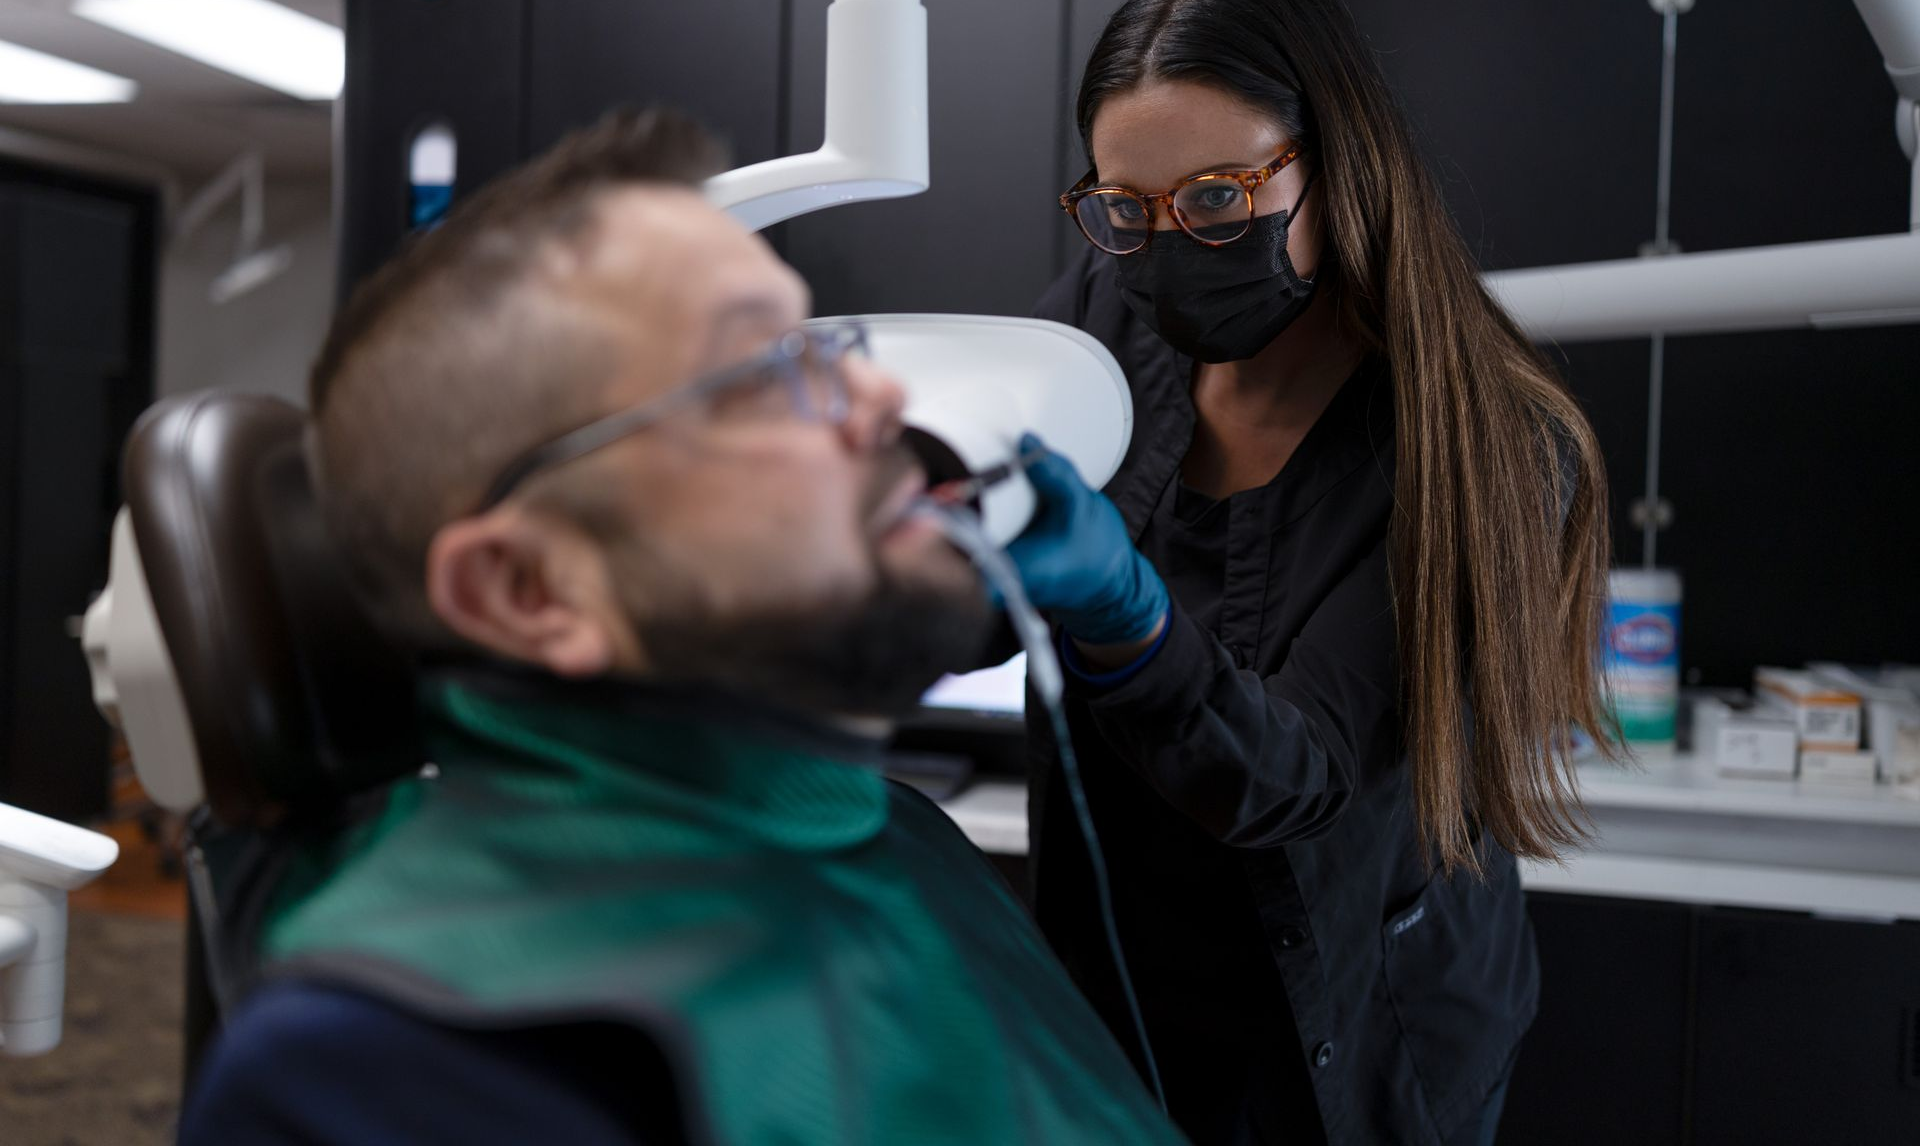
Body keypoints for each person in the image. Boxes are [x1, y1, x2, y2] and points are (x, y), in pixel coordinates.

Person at [176, 108, 1185, 1146]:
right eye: (760, 376)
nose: (883, 398)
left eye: (827, 350)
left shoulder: (897, 836)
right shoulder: (387, 1074)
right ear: (531, 588)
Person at [998, 1, 1616, 1144]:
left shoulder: (1486, 445)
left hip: (1360, 1038)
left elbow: (1297, 775)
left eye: (1222, 199)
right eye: (1125, 208)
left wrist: (1120, 611)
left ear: (1338, 165)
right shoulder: (1107, 310)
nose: (1169, 243)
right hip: (1126, 988)